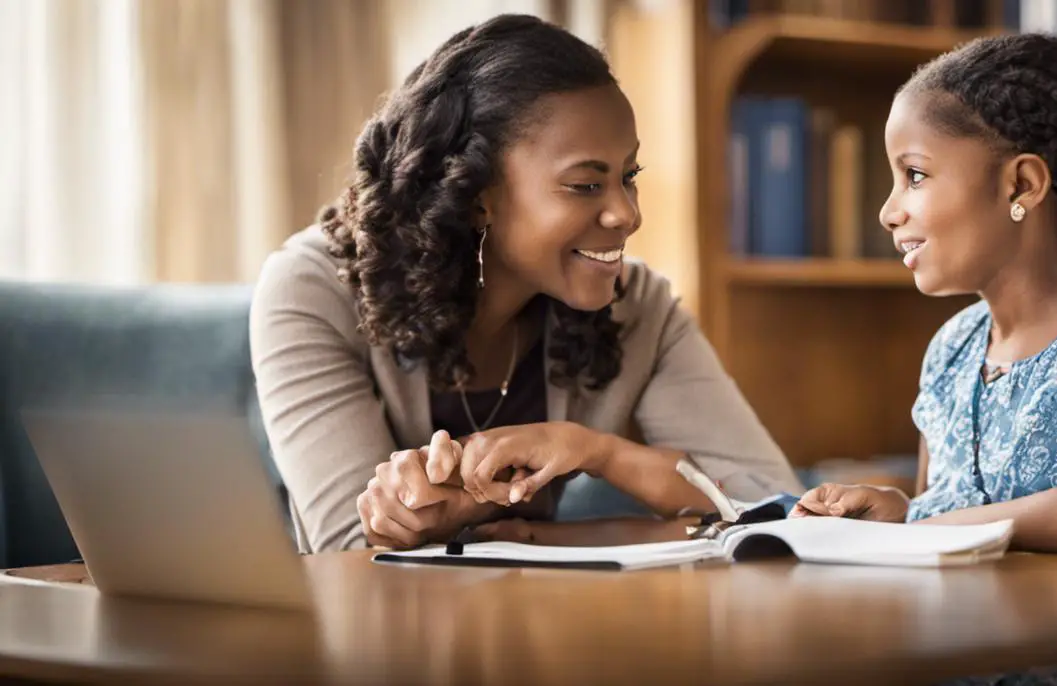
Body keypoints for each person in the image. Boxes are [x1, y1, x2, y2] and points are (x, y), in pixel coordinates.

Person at [248, 14, 799, 554]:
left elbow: (775, 510)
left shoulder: (638, 307)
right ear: (477, 195)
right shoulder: (312, 291)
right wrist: (483, 506)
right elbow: (349, 555)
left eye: (628, 177)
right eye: (586, 184)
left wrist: (592, 452)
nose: (627, 215)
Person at [790, 32, 1057, 557]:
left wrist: (914, 527)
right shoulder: (952, 347)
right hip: (961, 632)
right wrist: (902, 508)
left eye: (914, 175)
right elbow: (946, 506)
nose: (888, 212)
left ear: (1022, 185)